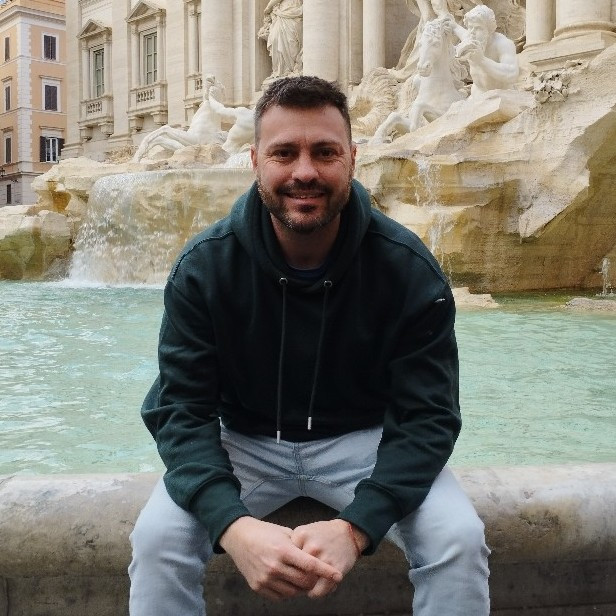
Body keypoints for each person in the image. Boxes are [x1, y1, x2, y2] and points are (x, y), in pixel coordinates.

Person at [128, 75, 490, 615]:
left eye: (325, 152)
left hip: (365, 442)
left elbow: (429, 417)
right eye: (284, 153)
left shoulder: (408, 269)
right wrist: (232, 525)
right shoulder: (204, 267)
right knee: (157, 543)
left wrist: (357, 527)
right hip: (243, 443)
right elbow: (181, 410)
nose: (304, 172)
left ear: (352, 159)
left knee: (459, 540)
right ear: (255, 161)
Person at [448, 4, 519, 98]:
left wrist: (481, 60)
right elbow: (456, 28)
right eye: (470, 27)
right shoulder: (471, 38)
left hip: (501, 96)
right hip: (478, 94)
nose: (472, 33)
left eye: (478, 28)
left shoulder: (503, 44)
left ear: (490, 30)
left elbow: (512, 74)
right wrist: (450, 24)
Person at [258, 0, 303, 85]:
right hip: (282, 12)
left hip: (291, 8)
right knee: (276, 39)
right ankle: (281, 71)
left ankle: (293, 69)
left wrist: (268, 8)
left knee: (291, 41)